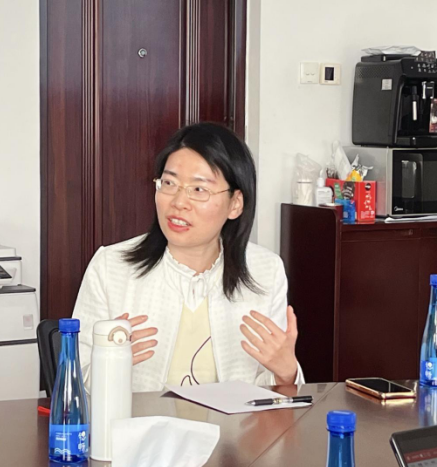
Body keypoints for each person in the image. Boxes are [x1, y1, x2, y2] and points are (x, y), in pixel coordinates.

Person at [73, 122, 304, 392]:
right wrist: (107, 366)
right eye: (169, 183)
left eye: (198, 189)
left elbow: (270, 394)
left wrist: (286, 373)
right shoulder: (111, 267)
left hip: (236, 422)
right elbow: (73, 382)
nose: (178, 202)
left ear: (235, 204)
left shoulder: (265, 271)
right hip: (137, 420)